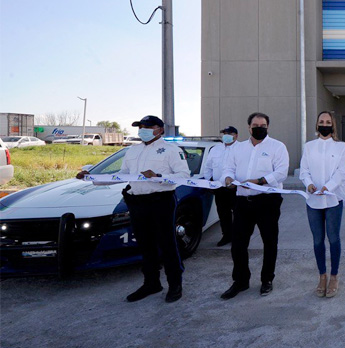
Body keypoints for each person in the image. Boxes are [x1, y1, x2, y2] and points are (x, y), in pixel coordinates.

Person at [78, 115, 190, 303]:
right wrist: (92, 177)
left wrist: (158, 176)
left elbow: (183, 176)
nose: (143, 130)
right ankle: (151, 283)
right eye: (141, 127)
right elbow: (122, 174)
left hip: (160, 201)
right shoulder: (132, 150)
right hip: (137, 202)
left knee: (167, 243)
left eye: (148, 127)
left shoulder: (172, 150)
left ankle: (175, 284)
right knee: (145, 244)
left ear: (160, 130)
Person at [219, 112, 289, 300]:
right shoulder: (238, 148)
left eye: (263, 126)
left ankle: (267, 279)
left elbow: (281, 172)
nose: (259, 128)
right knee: (238, 244)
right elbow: (227, 168)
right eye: (256, 126)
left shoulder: (277, 147)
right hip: (242, 201)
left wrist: (260, 181)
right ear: (249, 128)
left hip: (268, 201)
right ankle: (240, 281)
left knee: (269, 241)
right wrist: (227, 178)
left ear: (268, 127)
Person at [299, 111, 345, 298]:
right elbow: (304, 170)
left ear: (332, 125)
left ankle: (334, 276)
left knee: (333, 238)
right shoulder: (309, 147)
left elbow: (341, 172)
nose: (325, 124)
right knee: (317, 240)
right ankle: (322, 276)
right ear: (317, 124)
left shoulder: (341, 147)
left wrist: (328, 187)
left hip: (333, 199)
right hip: (313, 201)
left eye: (328, 122)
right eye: (321, 121)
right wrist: (309, 184)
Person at [202, 126, 239, 246]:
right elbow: (208, 166)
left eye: (229, 133)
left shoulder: (242, 148)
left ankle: (238, 237)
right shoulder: (215, 149)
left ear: (236, 135)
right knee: (223, 213)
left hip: (236, 187)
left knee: (239, 213)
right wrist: (209, 182)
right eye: (224, 133)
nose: (226, 136)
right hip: (219, 187)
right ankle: (226, 236)